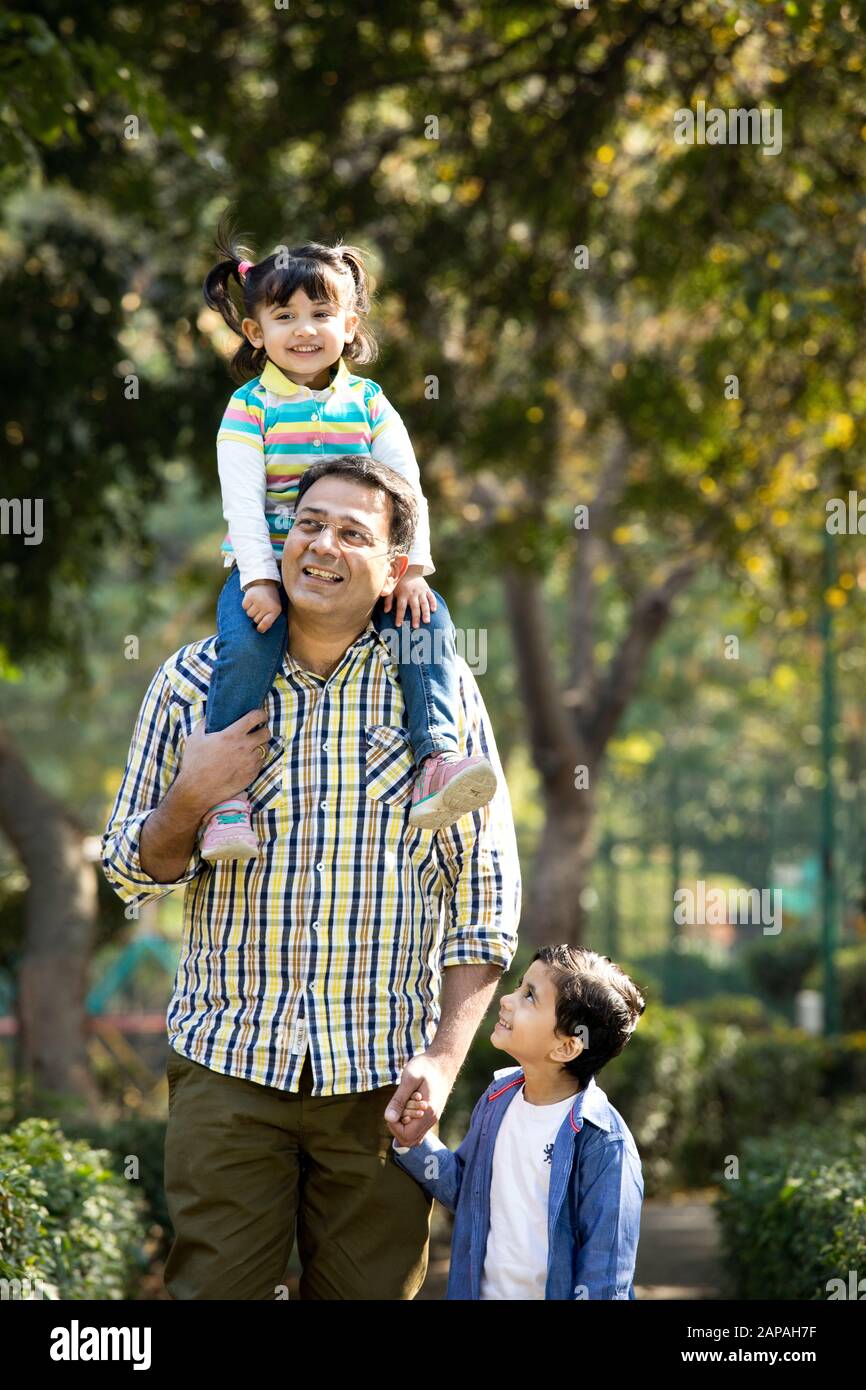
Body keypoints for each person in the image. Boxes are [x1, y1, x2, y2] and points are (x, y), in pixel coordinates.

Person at [101, 456, 521, 1300]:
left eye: (353, 533)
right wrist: (191, 797)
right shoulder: (193, 683)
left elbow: (484, 896)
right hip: (228, 1068)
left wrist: (442, 1062)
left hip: (381, 1083)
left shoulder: (438, 696)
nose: (322, 545)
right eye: (309, 523)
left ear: (397, 569)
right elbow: (128, 874)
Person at [198, 217, 495, 861]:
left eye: (320, 312)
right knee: (247, 649)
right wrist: (257, 580)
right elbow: (243, 505)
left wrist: (411, 568)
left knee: (427, 625)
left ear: (350, 326)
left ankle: (436, 760)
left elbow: (406, 486)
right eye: (284, 316)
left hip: (365, 567)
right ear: (256, 332)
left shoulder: (368, 403)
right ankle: (226, 798)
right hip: (273, 568)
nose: (304, 329)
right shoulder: (249, 409)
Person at [391, 946, 645, 1300]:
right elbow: (468, 1192)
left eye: (529, 996)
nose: (507, 1000)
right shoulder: (498, 1099)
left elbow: (606, 1279)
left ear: (566, 1048)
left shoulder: (604, 1144)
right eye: (519, 986)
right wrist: (414, 1143)